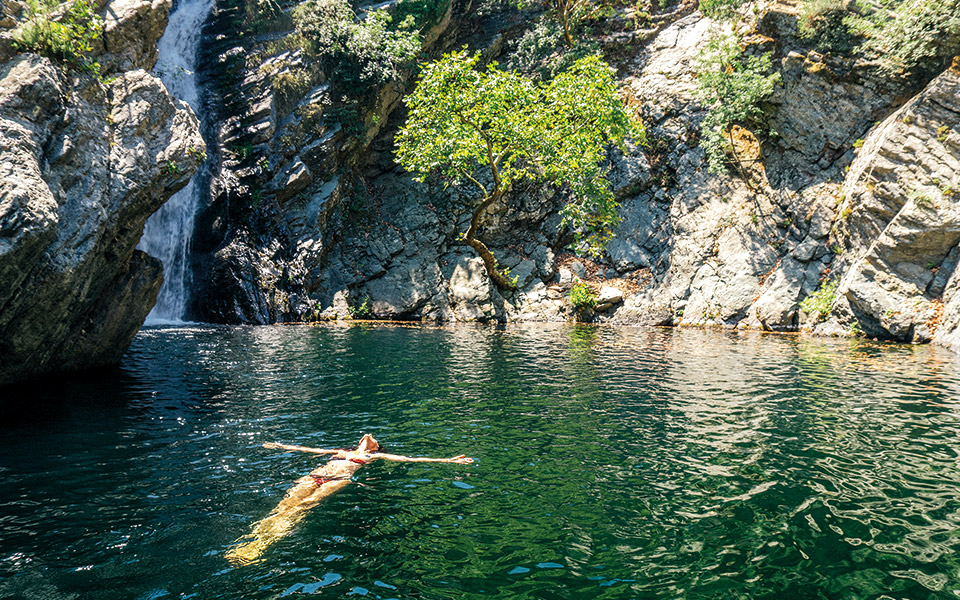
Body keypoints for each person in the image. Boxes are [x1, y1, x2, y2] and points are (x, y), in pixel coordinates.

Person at [225, 433, 474, 565]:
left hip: (336, 481)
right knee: (283, 507)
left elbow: (411, 460)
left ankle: (260, 547)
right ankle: (249, 542)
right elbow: (307, 450)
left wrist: (448, 461)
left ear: (376, 447)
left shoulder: (374, 457)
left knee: (302, 508)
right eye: (365, 436)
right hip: (314, 476)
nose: (368, 435)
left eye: (373, 438)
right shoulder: (340, 451)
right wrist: (280, 446)